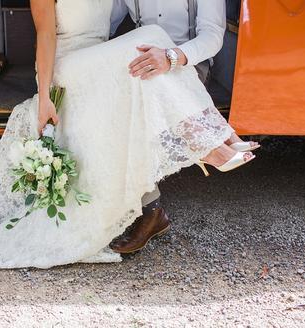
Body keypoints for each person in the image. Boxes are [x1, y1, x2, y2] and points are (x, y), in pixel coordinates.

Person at [0, 0, 255, 270]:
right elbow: (44, 35)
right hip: (66, 66)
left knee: (147, 51)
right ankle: (211, 142)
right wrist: (44, 98)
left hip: (100, 61)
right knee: (151, 41)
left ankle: (208, 146)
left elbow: (118, 24)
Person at [109, 0, 260, 254]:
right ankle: (212, 139)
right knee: (129, 88)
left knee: (142, 90)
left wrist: (170, 58)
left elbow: (212, 36)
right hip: (143, 64)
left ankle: (152, 209)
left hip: (188, 63)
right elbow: (108, 22)